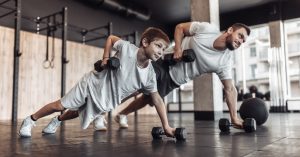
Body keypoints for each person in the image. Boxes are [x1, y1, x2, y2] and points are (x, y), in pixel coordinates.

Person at [19, 27, 175, 137]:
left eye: (163, 50)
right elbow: (111, 38)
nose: (161, 52)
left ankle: (57, 120)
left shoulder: (149, 76)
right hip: (92, 84)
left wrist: (166, 126)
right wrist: (106, 58)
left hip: (105, 100)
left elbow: (158, 100)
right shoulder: (128, 49)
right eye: (158, 46)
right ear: (146, 42)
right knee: (61, 105)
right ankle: (30, 120)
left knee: (77, 112)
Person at [114, 22, 251, 129]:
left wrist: (234, 117)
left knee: (148, 98)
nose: (240, 41)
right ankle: (104, 108)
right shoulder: (207, 29)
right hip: (165, 62)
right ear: (230, 30)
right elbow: (180, 28)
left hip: (175, 81)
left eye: (243, 41)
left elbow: (230, 89)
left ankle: (121, 114)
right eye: (240, 36)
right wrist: (178, 48)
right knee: (139, 85)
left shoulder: (225, 62)